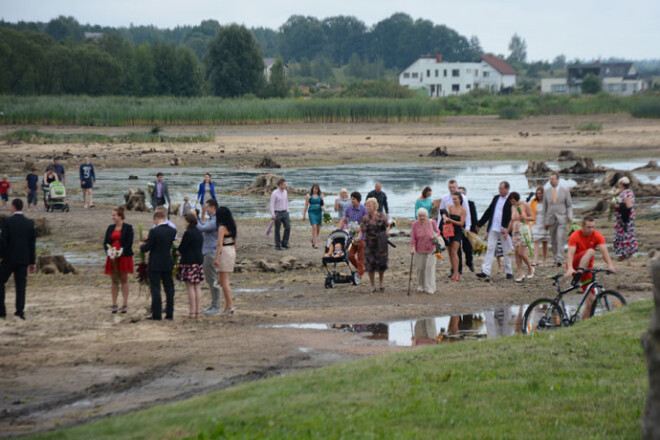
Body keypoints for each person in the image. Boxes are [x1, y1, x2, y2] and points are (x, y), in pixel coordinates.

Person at [564, 216, 616, 321]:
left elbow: (604, 250)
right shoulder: (575, 235)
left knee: (591, 300)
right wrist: (570, 268)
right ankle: (578, 273)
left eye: (593, 227)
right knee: (591, 251)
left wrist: (610, 265)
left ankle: (583, 324)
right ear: (582, 226)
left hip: (586, 269)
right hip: (575, 265)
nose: (591, 230)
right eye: (589, 227)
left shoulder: (597, 235)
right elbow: (570, 254)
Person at [0, 199, 36, 320]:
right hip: (23, 259)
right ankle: (20, 311)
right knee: (21, 286)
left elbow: (3, 241)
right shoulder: (29, 223)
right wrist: (32, 262)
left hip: (9, 258)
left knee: (0, 282)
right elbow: (32, 244)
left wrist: (1, 255)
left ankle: (2, 311)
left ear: (13, 207)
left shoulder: (7, 221)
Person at [140, 209, 177, 320]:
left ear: (156, 219)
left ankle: (157, 314)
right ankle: (170, 313)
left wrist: (142, 245)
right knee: (169, 288)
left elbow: (147, 247)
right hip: (167, 262)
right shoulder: (172, 231)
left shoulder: (154, 231)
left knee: (155, 289)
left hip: (155, 263)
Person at [476, 181, 513, 279]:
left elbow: (511, 216)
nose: (500, 190)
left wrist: (507, 227)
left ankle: (509, 271)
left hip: (504, 229)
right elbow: (488, 212)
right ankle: (485, 271)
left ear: (507, 189)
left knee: (507, 250)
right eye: (499, 189)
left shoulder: (511, 200)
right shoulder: (496, 198)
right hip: (493, 228)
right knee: (490, 249)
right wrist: (479, 223)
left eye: (501, 189)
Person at [103, 207, 134, 314]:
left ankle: (125, 304)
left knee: (124, 278)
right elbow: (106, 241)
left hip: (124, 256)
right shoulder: (110, 228)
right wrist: (109, 251)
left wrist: (121, 251)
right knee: (114, 279)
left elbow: (129, 242)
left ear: (120, 216)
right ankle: (114, 304)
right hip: (112, 256)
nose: (113, 217)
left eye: (114, 215)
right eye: (112, 215)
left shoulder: (128, 228)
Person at [438, 180, 472, 276]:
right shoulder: (445, 198)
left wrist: (468, 226)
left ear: (457, 187)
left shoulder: (463, 198)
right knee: (450, 249)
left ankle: (458, 270)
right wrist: (438, 227)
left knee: (457, 249)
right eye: (450, 187)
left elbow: (467, 213)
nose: (452, 189)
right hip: (447, 226)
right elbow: (441, 212)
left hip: (458, 226)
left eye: (453, 187)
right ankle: (454, 269)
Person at [358, 197, 390, 294]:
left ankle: (381, 282)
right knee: (370, 265)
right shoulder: (365, 218)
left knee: (381, 264)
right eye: (366, 205)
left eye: (369, 205)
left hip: (381, 243)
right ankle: (372, 285)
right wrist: (358, 238)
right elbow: (361, 230)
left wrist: (385, 234)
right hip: (369, 243)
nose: (367, 207)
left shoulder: (381, 215)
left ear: (375, 206)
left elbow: (388, 225)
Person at [177, 213, 205, 318]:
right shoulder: (199, 233)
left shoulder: (188, 233)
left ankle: (192, 312)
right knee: (197, 286)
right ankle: (197, 311)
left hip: (189, 262)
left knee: (190, 287)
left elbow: (181, 249)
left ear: (188, 222)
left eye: (185, 221)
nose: (184, 223)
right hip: (198, 261)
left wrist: (176, 252)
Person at [198, 199, 222, 315]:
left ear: (213, 208)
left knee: (213, 280)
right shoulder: (212, 219)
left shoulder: (216, 220)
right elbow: (203, 225)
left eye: (207, 207)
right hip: (208, 252)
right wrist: (197, 218)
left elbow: (202, 228)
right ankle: (214, 305)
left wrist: (194, 220)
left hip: (211, 253)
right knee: (211, 280)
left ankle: (216, 306)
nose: (205, 209)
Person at [543, 172, 573, 267]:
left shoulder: (565, 190)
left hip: (562, 217)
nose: (551, 180)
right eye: (550, 178)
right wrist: (545, 221)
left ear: (557, 180)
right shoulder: (546, 191)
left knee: (560, 237)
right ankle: (555, 257)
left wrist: (570, 215)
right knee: (553, 239)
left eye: (552, 178)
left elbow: (569, 204)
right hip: (551, 217)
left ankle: (560, 258)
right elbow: (545, 207)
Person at [410, 207, 440, 294]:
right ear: (417, 216)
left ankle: (429, 287)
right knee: (420, 268)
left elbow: (438, 232)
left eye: (423, 216)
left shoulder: (432, 222)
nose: (422, 218)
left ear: (426, 215)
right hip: (419, 249)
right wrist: (412, 248)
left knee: (429, 267)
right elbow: (413, 238)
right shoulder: (414, 224)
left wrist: (435, 236)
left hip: (432, 248)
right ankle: (420, 285)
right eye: (420, 216)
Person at [338, 191, 367, 278]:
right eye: (351, 199)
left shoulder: (363, 209)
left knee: (360, 258)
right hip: (351, 237)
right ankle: (361, 269)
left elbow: (365, 222)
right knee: (349, 256)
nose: (352, 201)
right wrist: (338, 230)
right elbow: (343, 219)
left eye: (353, 199)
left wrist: (360, 229)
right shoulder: (348, 208)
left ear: (358, 200)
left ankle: (359, 274)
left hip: (362, 237)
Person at [506, 192, 534, 282]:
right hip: (515, 232)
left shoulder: (525, 205)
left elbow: (533, 217)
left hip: (524, 230)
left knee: (521, 252)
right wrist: (507, 231)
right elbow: (512, 220)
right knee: (516, 253)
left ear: (516, 199)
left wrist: (525, 217)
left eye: (513, 201)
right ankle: (521, 273)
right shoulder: (512, 207)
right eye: (511, 201)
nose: (511, 202)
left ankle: (530, 268)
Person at [214, 206, 237, 315]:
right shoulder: (233, 226)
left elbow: (219, 244)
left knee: (224, 281)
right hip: (231, 250)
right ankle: (227, 305)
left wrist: (216, 258)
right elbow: (235, 242)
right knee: (222, 280)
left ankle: (230, 305)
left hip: (224, 250)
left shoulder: (222, 228)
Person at [612, 176, 638, 262]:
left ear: (622, 184)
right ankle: (623, 254)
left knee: (627, 235)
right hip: (622, 219)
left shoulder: (627, 193)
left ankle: (629, 254)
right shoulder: (625, 193)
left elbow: (628, 206)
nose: (619, 185)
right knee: (622, 236)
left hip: (625, 219)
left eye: (619, 184)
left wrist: (616, 206)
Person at [442, 192, 466, 282]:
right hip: (448, 230)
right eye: (453, 199)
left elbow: (461, 223)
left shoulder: (463, 210)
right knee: (450, 252)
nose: (454, 200)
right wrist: (444, 217)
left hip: (457, 231)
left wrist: (451, 220)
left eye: (455, 199)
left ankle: (457, 272)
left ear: (460, 199)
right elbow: (444, 212)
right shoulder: (450, 207)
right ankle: (453, 271)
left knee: (454, 251)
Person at [459, 186, 478, 272]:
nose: (461, 196)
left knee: (467, 247)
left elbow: (474, 217)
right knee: (456, 248)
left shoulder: (470, 203)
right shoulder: (453, 204)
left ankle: (469, 262)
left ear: (465, 194)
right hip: (457, 228)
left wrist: (474, 229)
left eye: (462, 193)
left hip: (467, 227)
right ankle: (457, 267)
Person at [530, 186, 550, 267]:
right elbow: (530, 211)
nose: (539, 195)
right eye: (538, 193)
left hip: (545, 223)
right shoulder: (533, 201)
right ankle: (535, 260)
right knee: (536, 241)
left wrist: (547, 223)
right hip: (536, 222)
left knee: (545, 242)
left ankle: (544, 260)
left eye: (541, 193)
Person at [270, 178, 290, 251]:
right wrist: (273, 214)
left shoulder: (285, 192)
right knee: (277, 229)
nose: (285, 185)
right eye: (284, 184)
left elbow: (286, 201)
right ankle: (277, 245)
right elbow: (271, 204)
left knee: (288, 227)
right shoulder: (274, 193)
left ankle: (284, 243)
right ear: (280, 185)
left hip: (285, 212)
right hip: (277, 212)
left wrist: (287, 211)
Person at [302, 183, 324, 249]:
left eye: (317, 189)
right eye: (315, 189)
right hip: (312, 211)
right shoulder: (308, 196)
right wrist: (304, 214)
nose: (316, 190)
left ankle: (314, 240)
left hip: (319, 212)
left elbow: (322, 204)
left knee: (318, 228)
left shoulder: (321, 195)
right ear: (312, 189)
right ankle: (315, 243)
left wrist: (324, 208)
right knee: (314, 226)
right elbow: (306, 205)